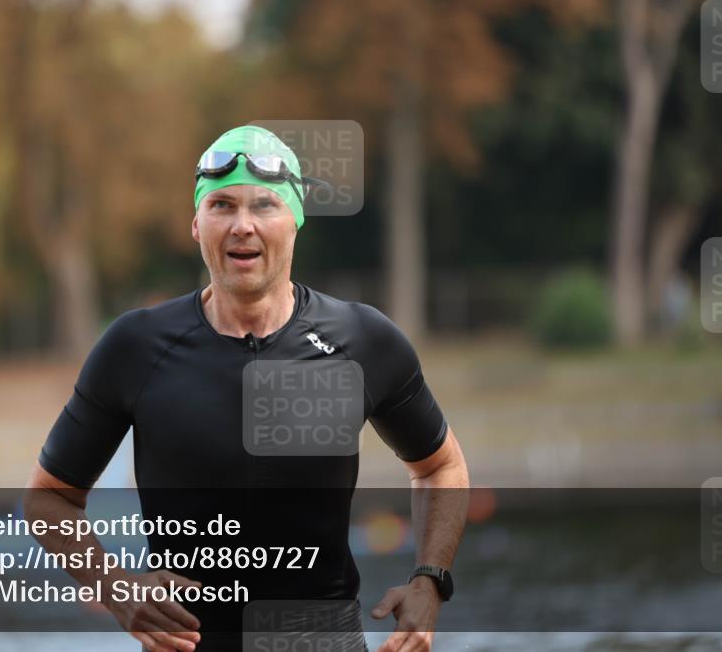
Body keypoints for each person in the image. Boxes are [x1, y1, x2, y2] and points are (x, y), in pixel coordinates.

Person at [24, 125, 469, 652]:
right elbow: (48, 499)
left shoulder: (362, 340)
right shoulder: (136, 347)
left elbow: (440, 465)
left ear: (296, 219)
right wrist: (119, 590)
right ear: (196, 223)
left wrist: (430, 580)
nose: (242, 226)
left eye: (264, 206)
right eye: (222, 205)